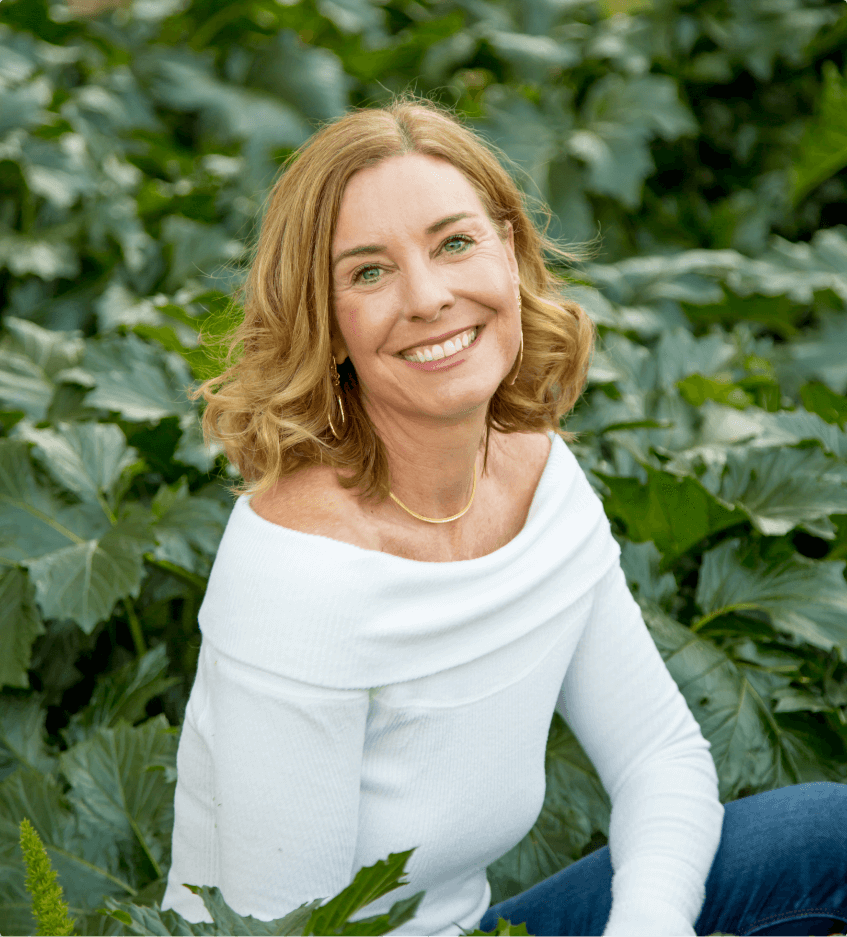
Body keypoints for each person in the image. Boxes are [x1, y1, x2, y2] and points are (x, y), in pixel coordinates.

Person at [160, 92, 847, 937]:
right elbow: (282, 930)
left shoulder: (541, 475)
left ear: (508, 250)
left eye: (454, 243)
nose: (427, 297)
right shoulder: (301, 575)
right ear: (327, 324)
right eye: (368, 271)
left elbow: (658, 758)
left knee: (825, 835)